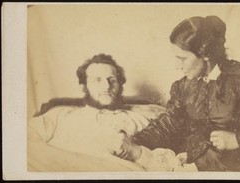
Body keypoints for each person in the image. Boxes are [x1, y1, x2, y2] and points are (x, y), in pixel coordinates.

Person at [114, 16, 240, 172]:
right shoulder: (183, 87)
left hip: (238, 167)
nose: (178, 67)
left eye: (182, 59)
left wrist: (239, 139)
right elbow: (168, 125)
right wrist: (132, 141)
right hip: (195, 164)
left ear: (205, 55)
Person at [27, 54, 170, 171]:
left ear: (120, 85)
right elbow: (21, 142)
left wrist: (136, 152)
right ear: (84, 86)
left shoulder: (141, 118)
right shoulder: (60, 115)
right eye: (97, 80)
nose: (106, 86)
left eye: (112, 80)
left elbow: (166, 166)